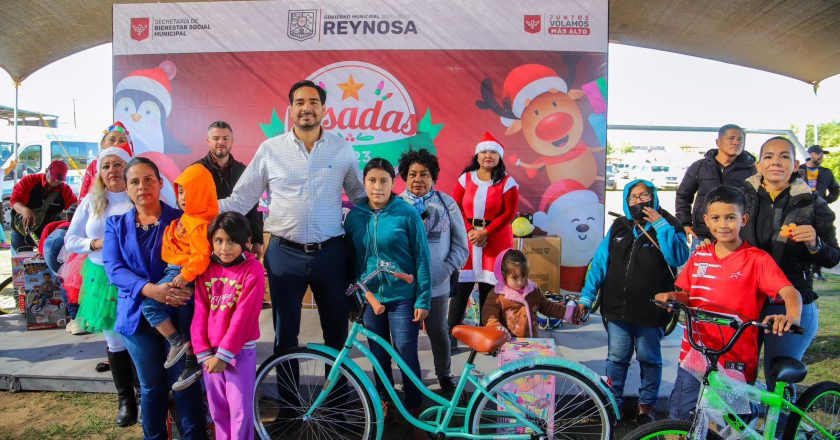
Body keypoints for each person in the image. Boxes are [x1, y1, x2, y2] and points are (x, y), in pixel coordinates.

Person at [219, 80, 365, 357]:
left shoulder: (341, 148)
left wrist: (397, 209)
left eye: (313, 102)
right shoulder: (271, 149)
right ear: (290, 109)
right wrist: (194, 209)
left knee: (336, 334)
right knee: (285, 333)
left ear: (324, 109)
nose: (306, 108)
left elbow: (360, 198)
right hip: (284, 254)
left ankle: (336, 399)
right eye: (300, 102)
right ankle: (289, 401)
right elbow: (239, 200)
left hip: (332, 254)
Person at [658, 185, 802, 420]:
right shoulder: (699, 256)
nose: (723, 225)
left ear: (743, 219)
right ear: (706, 219)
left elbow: (790, 292)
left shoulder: (757, 259)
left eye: (730, 217)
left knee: (732, 423)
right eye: (716, 218)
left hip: (736, 359)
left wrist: (791, 316)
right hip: (694, 354)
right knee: (681, 416)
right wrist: (673, 297)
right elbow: (688, 294)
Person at [103, 157, 207, 439]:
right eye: (134, 181)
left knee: (184, 386)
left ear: (161, 184)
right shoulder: (116, 225)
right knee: (151, 388)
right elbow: (114, 269)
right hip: (136, 318)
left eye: (148, 179)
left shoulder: (182, 219)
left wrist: (181, 288)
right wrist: (150, 290)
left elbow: (199, 260)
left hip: (179, 312)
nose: (142, 186)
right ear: (126, 188)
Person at [574, 179, 689, 424]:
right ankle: (611, 403)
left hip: (651, 312)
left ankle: (646, 407)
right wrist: (587, 296)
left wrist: (660, 224)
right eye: (633, 198)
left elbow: (677, 256)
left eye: (644, 195)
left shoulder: (670, 224)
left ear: (654, 197)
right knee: (616, 359)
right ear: (626, 202)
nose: (638, 201)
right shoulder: (618, 225)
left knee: (649, 359)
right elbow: (600, 263)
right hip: (617, 310)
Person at [739, 136, 840, 389]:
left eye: (784, 156)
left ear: (795, 165)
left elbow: (833, 257)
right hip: (743, 299)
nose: (776, 162)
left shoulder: (813, 203)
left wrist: (815, 244)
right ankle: (740, 430)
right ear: (759, 165)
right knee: (737, 376)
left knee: (779, 380)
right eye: (769, 157)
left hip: (790, 302)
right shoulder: (739, 198)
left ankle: (784, 428)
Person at [344, 158, 431, 428]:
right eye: (372, 180)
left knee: (405, 351)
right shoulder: (355, 216)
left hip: (403, 297)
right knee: (377, 354)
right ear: (364, 183)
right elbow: (351, 259)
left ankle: (415, 407)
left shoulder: (406, 213)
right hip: (370, 300)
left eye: (383, 181)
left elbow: (422, 258)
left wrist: (423, 298)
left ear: (394, 183)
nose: (377, 186)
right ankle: (385, 401)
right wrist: (353, 296)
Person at [63, 146, 138, 426]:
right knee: (114, 340)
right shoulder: (92, 201)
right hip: (100, 279)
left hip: (133, 278)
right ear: (99, 172)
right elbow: (70, 240)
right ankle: (126, 402)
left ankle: (145, 396)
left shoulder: (137, 196)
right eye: (106, 166)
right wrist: (95, 244)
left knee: (138, 337)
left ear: (128, 168)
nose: (112, 171)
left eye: (118, 164)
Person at [138, 163, 218, 391]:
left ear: (201, 192)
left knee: (150, 306)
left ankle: (177, 343)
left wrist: (185, 275)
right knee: (185, 318)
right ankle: (189, 358)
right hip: (175, 269)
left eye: (188, 191)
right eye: (180, 191)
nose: (182, 197)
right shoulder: (188, 217)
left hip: (180, 272)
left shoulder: (199, 223)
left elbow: (201, 256)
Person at [397, 148, 468, 394]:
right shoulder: (395, 205)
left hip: (438, 284)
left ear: (434, 177)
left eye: (424, 174)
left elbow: (461, 245)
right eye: (413, 174)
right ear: (404, 177)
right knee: (406, 338)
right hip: (405, 287)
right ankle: (411, 382)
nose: (418, 180)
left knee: (438, 331)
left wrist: (447, 269)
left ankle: (444, 375)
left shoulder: (447, 204)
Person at [192, 212, 264, 440]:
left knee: (240, 411)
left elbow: (243, 318)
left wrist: (223, 356)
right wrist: (203, 353)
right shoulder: (206, 269)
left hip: (238, 352)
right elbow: (200, 311)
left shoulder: (252, 270)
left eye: (232, 241)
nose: (225, 247)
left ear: (247, 242)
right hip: (210, 356)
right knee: (218, 410)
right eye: (219, 240)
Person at [448, 132, 519, 347]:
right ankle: (449, 336)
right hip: (469, 239)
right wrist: (471, 230)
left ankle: (486, 336)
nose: (488, 155)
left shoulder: (507, 182)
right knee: (462, 289)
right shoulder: (465, 179)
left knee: (490, 291)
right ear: (477, 156)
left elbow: (509, 213)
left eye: (493, 152)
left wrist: (486, 232)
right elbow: (456, 206)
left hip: (495, 240)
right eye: (484, 151)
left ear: (499, 157)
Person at [675, 124, 755, 245]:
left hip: (735, 236)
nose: (736, 142)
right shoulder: (700, 166)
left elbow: (754, 201)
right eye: (731, 138)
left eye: (740, 140)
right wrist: (685, 223)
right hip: (702, 235)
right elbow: (683, 196)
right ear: (718, 142)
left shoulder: (751, 170)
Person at [196, 120, 264, 259]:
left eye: (225, 138)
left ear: (232, 141)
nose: (221, 142)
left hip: (239, 241)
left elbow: (252, 208)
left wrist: (257, 240)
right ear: (208, 141)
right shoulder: (195, 171)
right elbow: (186, 207)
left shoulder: (244, 171)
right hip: (205, 242)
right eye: (216, 138)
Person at [482, 248, 566, 337]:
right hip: (508, 344)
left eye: (524, 276)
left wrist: (570, 312)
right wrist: (496, 328)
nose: (520, 282)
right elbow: (489, 315)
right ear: (503, 274)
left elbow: (548, 307)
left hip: (532, 341)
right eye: (515, 278)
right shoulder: (497, 295)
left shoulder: (533, 290)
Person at [10, 159, 77, 252]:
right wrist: (25, 211)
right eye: (54, 177)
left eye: (60, 179)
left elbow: (76, 209)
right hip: (22, 230)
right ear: (46, 171)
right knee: (21, 262)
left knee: (44, 263)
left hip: (47, 234)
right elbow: (14, 200)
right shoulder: (29, 180)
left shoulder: (65, 190)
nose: (56, 180)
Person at [798, 144, 839, 281]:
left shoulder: (826, 172)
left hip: (819, 212)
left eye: (822, 153)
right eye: (818, 153)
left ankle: (816, 270)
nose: (821, 156)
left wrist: (825, 201)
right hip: (800, 211)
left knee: (819, 239)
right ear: (809, 154)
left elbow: (835, 189)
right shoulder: (798, 170)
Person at [80, 122, 134, 199]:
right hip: (98, 206)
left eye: (121, 141)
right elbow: (84, 191)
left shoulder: (134, 164)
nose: (116, 143)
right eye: (112, 140)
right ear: (103, 143)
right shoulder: (94, 165)